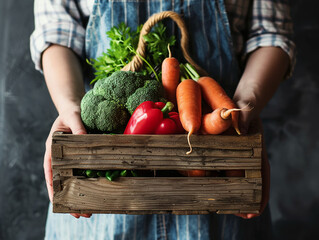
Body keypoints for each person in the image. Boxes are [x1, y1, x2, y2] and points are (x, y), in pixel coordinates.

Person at [30, 0, 295, 239]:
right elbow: (56, 33)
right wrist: (70, 108)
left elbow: (270, 34)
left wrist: (243, 109)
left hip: (220, 180)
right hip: (103, 203)